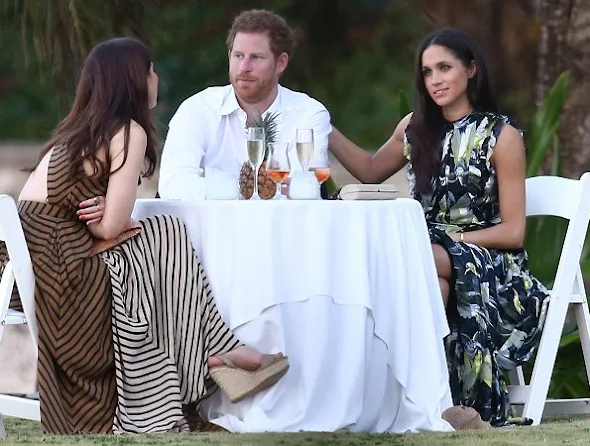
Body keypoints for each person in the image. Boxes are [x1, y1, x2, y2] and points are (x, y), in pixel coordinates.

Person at [0, 37, 288, 435]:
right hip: (65, 280)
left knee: (160, 235)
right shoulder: (128, 132)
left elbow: (93, 222)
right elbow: (107, 228)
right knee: (166, 234)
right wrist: (113, 224)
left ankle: (220, 350)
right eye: (150, 70)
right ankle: (219, 350)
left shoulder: (81, 131)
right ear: (134, 80)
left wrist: (110, 221)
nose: (155, 78)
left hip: (38, 266)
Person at [328, 28, 549, 425]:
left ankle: (379, 387)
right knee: (436, 284)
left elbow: (513, 232)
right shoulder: (416, 129)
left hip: (494, 267)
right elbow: (368, 170)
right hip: (430, 258)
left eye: (444, 68)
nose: (435, 80)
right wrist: (323, 126)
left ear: (471, 69)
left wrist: (452, 240)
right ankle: (432, 405)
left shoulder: (501, 135)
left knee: (412, 260)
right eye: (427, 72)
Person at [157, 9, 331, 201]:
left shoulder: (308, 113)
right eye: (238, 56)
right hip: (209, 229)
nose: (244, 67)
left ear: (281, 63)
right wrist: (237, 191)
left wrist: (214, 187)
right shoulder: (198, 109)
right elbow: (172, 184)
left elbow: (304, 189)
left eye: (256, 57)